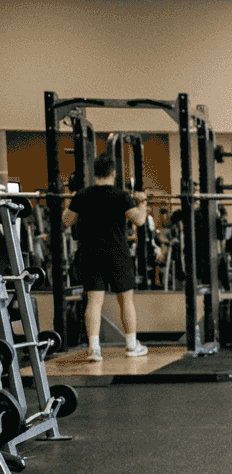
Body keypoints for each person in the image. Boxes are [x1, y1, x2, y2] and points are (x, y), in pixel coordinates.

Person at [62, 153, 149, 361]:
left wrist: (71, 201)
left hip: (91, 254)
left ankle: (94, 349)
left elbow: (66, 221)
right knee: (126, 300)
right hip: (117, 253)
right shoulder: (121, 196)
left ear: (94, 173)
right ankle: (131, 345)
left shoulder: (82, 195)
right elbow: (139, 220)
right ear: (113, 173)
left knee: (94, 301)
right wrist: (143, 201)